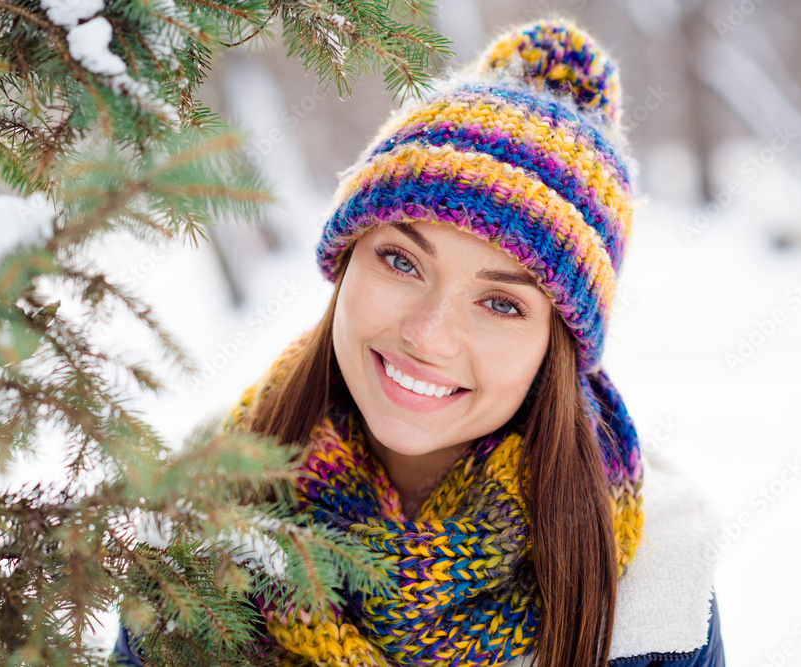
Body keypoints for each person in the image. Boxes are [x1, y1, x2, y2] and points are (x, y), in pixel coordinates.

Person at [114, 17, 725, 667]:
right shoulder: (195, 530)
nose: (429, 335)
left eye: (500, 302)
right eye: (402, 261)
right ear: (346, 261)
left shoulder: (653, 596)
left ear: (558, 344)